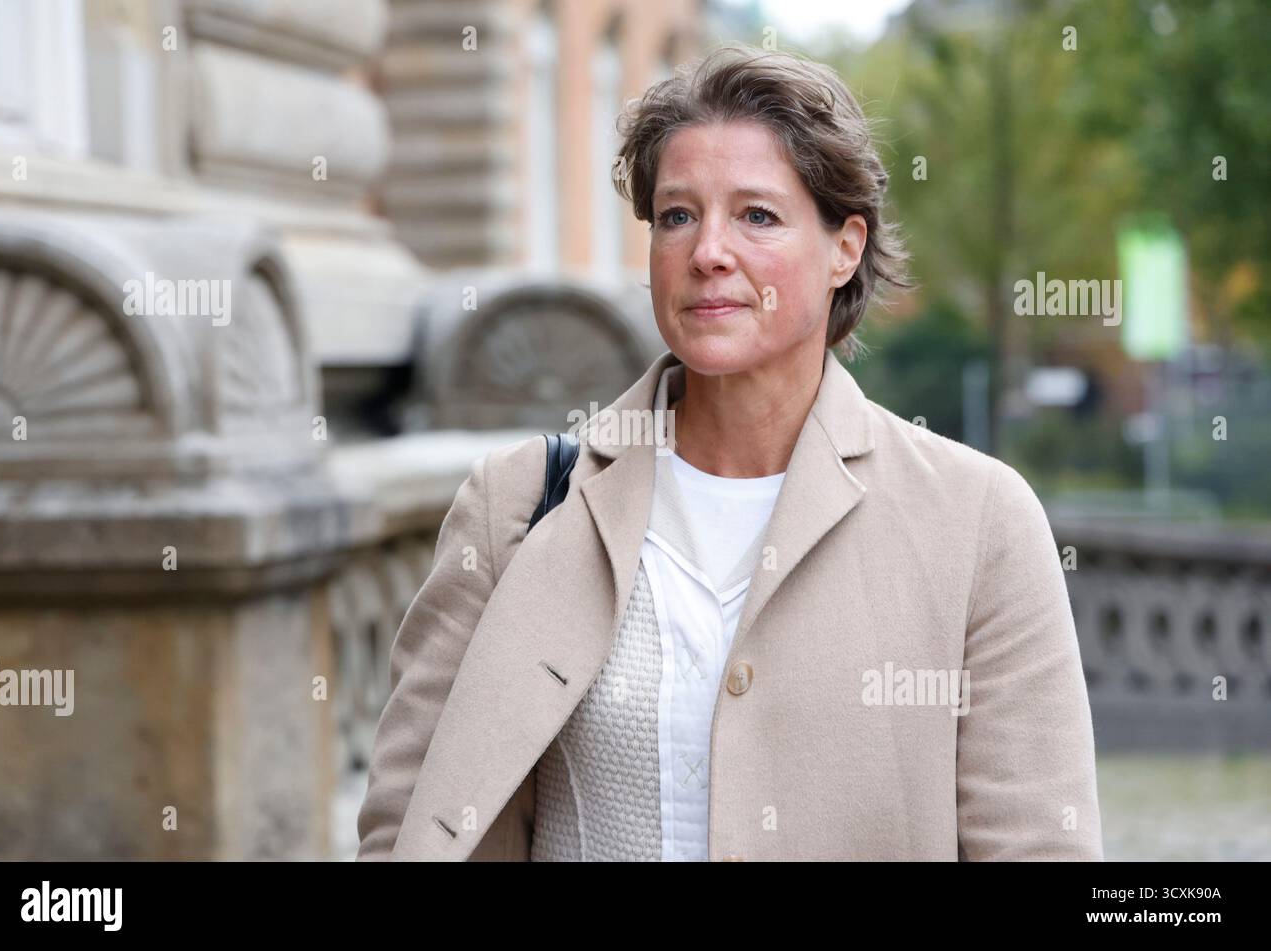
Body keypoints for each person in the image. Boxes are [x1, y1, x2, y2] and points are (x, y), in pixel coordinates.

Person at [357, 42, 1103, 862]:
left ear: (844, 247)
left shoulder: (978, 523)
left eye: (757, 215)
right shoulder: (517, 506)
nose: (708, 250)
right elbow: (407, 823)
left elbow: (1038, 847)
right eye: (678, 215)